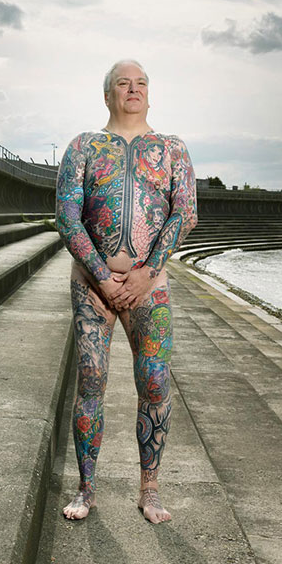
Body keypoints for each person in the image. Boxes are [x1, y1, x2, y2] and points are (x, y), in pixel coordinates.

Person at [54, 59, 197, 524]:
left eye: (141, 83)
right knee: (91, 381)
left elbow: (184, 213)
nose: (132, 89)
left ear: (149, 94)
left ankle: (150, 489)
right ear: (108, 94)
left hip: (149, 287)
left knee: (154, 382)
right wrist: (101, 274)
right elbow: (67, 218)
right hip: (92, 286)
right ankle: (86, 488)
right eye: (123, 83)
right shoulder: (83, 147)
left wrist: (146, 273)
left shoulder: (172, 148)